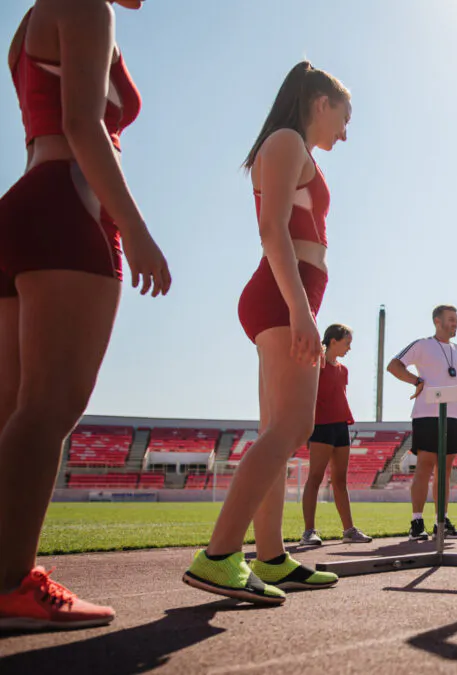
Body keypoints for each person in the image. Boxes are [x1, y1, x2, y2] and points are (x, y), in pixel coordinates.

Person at [0, 0, 171, 631]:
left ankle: (8, 576)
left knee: (15, 410)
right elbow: (83, 123)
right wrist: (135, 227)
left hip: (25, 204)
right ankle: (13, 584)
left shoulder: (29, 20)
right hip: (68, 212)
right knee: (49, 408)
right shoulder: (88, 6)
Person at [183, 61, 349, 605]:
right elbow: (271, 229)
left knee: (279, 429)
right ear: (319, 101)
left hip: (289, 296)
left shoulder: (295, 148)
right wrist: (302, 314)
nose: (345, 132)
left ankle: (271, 558)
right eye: (344, 117)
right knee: (295, 426)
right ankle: (218, 555)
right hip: (283, 297)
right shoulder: (286, 141)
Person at [387, 305, 457, 541]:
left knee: (445, 472)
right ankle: (417, 522)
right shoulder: (422, 344)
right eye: (451, 319)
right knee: (425, 466)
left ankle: (441, 521)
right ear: (437, 321)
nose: (455, 323)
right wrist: (417, 381)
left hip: (454, 415)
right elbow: (394, 365)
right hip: (427, 413)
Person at [300, 324, 372, 546]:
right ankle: (309, 532)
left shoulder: (343, 369)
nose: (349, 348)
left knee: (340, 481)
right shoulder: (315, 364)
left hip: (341, 426)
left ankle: (349, 530)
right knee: (315, 478)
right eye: (347, 343)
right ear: (333, 341)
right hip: (320, 426)